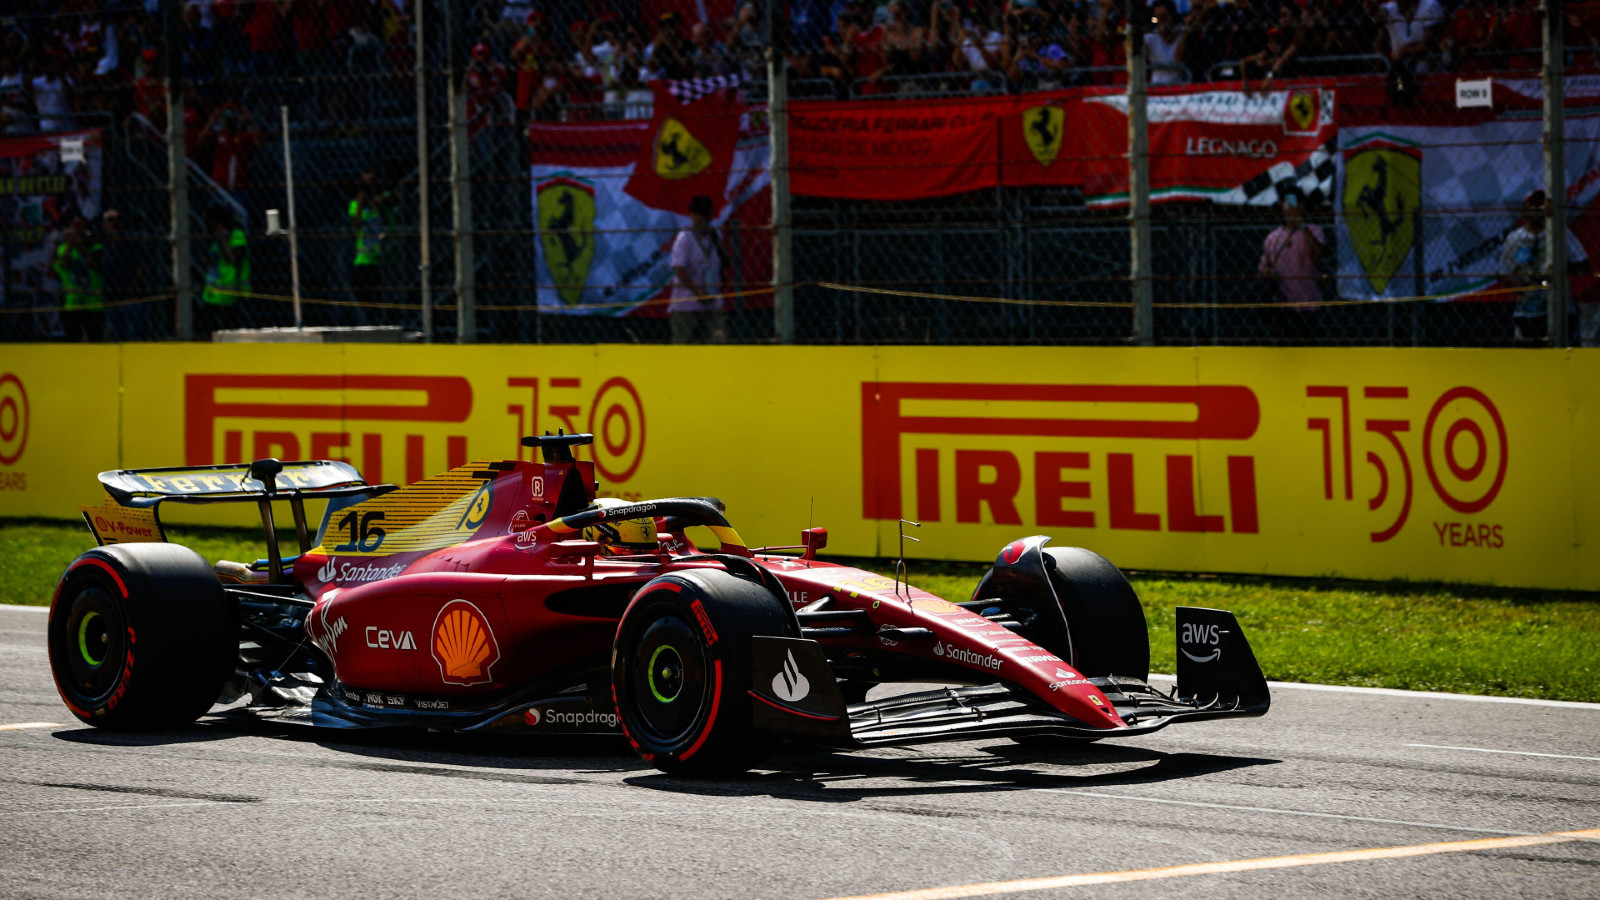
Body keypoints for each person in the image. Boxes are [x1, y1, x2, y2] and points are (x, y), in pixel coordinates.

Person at [1499, 191, 1580, 343]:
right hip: (1527, 311)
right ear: (1524, 210)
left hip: (1559, 309)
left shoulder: (1560, 233)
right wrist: (1524, 286)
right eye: (1533, 206)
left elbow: (1581, 262)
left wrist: (1558, 272)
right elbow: (1504, 273)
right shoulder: (1515, 239)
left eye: (1541, 206)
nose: (1537, 210)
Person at [1257, 194, 1326, 341]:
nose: (1291, 208)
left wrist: (1301, 224)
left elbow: (1317, 255)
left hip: (1309, 303)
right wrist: (1269, 274)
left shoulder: (1313, 230)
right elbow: (1263, 268)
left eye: (1295, 204)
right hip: (1283, 305)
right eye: (1288, 204)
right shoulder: (1273, 238)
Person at [669, 195, 727, 345]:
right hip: (687, 305)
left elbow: (724, 263)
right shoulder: (685, 238)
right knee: (684, 345)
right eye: (696, 215)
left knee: (716, 343)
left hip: (712, 302)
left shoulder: (715, 235)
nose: (699, 219)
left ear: (710, 215)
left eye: (703, 214)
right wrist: (697, 291)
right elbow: (678, 268)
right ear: (691, 215)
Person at [201, 208, 250, 337]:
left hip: (233, 293)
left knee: (231, 332)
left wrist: (223, 237)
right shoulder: (214, 240)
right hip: (212, 294)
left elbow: (233, 259)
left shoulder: (236, 235)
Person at [54, 216, 104, 342]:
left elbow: (93, 263)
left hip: (93, 301)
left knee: (95, 338)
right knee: (73, 338)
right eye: (74, 225)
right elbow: (64, 264)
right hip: (73, 300)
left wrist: (79, 245)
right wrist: (70, 245)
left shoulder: (97, 247)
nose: (77, 229)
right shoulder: (64, 248)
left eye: (80, 226)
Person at [349, 171, 391, 310]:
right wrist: (362, 202)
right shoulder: (356, 205)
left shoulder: (382, 203)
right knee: (365, 296)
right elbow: (356, 224)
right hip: (364, 259)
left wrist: (378, 200)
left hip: (385, 257)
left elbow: (395, 197)